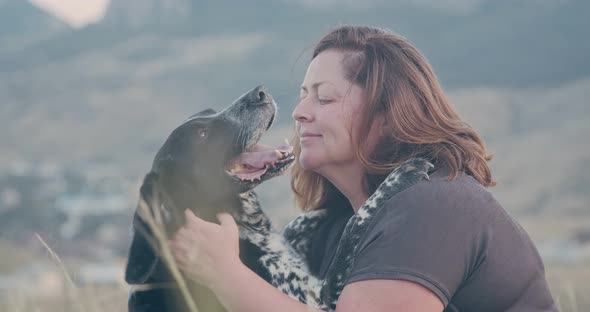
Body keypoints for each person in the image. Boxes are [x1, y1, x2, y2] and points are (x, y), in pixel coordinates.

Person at [169, 25, 557, 311]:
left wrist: (222, 272)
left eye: (325, 98)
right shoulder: (327, 231)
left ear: (387, 114)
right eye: (304, 97)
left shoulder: (434, 205)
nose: (300, 113)